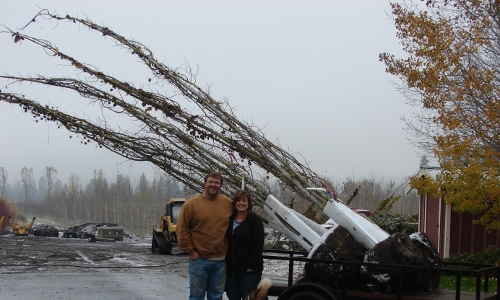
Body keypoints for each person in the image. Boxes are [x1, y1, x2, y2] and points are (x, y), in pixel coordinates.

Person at [177, 171, 233, 300]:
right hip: (199, 260)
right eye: (211, 182)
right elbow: (182, 230)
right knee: (197, 296)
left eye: (217, 183)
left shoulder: (228, 204)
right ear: (205, 184)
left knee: (216, 296)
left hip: (220, 261)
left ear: (221, 186)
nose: (213, 185)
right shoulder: (191, 204)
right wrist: (191, 251)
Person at [225, 190, 265, 300]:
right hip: (232, 269)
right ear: (234, 203)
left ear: (249, 204)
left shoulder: (254, 221)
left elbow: (258, 244)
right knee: (233, 297)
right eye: (238, 201)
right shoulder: (229, 219)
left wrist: (253, 265)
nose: (241, 203)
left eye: (244, 201)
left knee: (248, 297)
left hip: (249, 270)